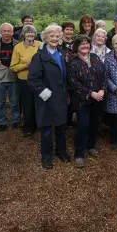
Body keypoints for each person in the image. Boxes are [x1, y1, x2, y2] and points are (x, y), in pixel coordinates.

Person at [28, 24, 70, 169]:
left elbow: (65, 77)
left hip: (61, 98)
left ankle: (61, 152)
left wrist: (67, 93)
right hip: (46, 98)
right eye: (51, 36)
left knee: (61, 127)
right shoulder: (39, 56)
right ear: (45, 38)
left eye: (57, 36)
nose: (55, 39)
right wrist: (46, 94)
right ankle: (46, 156)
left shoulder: (62, 54)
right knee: (46, 129)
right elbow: (33, 80)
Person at [68, 35, 106, 168]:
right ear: (76, 46)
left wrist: (102, 90)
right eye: (82, 44)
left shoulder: (95, 58)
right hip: (82, 100)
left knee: (95, 123)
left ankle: (91, 145)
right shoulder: (73, 61)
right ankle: (79, 153)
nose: (85, 46)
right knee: (83, 124)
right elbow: (73, 82)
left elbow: (104, 75)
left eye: (87, 43)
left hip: (98, 98)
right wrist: (91, 93)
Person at [10, 25, 42, 138]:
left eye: (32, 33)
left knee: (39, 103)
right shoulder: (18, 47)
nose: (30, 35)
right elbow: (13, 67)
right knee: (27, 104)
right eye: (28, 33)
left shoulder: (40, 44)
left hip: (39, 80)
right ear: (23, 34)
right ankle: (28, 127)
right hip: (24, 80)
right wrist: (26, 65)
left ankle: (39, 124)